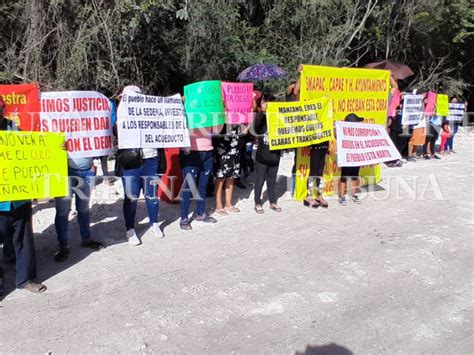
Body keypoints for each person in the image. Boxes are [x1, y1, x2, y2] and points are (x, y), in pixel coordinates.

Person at [0, 97, 46, 295]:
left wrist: (57, 149)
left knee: (24, 240)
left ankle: (25, 279)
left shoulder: (13, 129)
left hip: (18, 197)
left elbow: (31, 153)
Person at [117, 86, 164, 245]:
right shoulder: (120, 115)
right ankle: (130, 229)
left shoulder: (151, 113)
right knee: (131, 197)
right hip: (131, 161)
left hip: (152, 160)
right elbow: (113, 130)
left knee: (152, 195)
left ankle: (154, 223)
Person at [54, 156, 105, 261]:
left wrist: (95, 167)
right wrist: (59, 146)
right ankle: (63, 246)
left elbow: (101, 148)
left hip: (87, 171)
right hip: (64, 171)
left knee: (83, 208)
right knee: (63, 211)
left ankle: (87, 239)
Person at [179, 124, 220, 230]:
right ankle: (184, 218)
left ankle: (200, 213)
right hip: (190, 151)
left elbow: (216, 131)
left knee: (203, 186)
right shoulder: (185, 109)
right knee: (188, 186)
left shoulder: (210, 110)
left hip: (208, 150)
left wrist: (221, 118)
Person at [253, 90, 282, 214]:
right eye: (266, 102)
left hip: (275, 156)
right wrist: (263, 112)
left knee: (271, 180)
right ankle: (257, 202)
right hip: (262, 157)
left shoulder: (279, 118)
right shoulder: (261, 118)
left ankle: (272, 202)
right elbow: (255, 127)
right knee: (259, 180)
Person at [213, 124, 243, 215]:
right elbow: (216, 131)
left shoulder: (238, 119)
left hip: (235, 150)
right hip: (222, 150)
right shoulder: (220, 116)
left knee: (232, 176)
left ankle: (228, 204)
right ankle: (218, 206)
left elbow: (245, 131)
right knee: (220, 177)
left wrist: (247, 121)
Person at [338, 113, 364, 205]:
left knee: (355, 176)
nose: (359, 123)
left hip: (356, 157)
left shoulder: (359, 132)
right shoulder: (342, 132)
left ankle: (353, 194)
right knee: (344, 176)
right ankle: (341, 195)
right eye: (357, 121)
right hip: (347, 158)